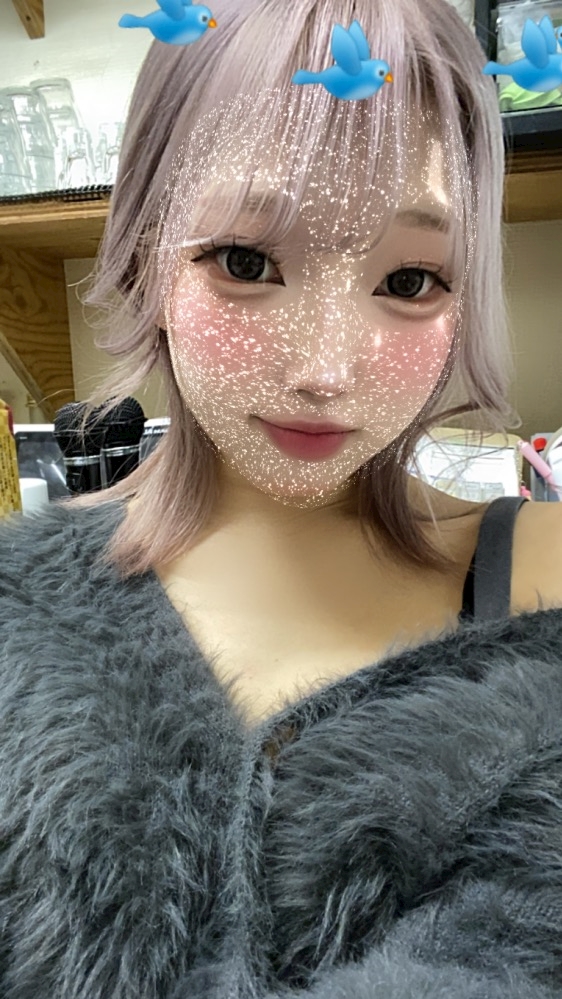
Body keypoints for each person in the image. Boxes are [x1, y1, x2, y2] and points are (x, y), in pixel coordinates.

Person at [1, 0, 562, 996]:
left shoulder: (547, 575)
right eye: (246, 262)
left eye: (409, 279)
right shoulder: (18, 616)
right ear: (144, 250)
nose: (325, 370)